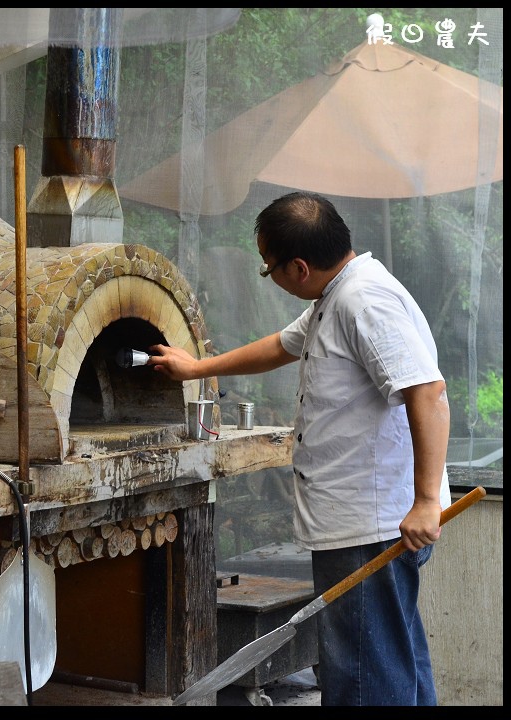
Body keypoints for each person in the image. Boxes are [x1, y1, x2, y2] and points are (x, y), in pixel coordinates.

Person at [148, 191, 451, 706]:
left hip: (368, 524)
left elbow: (428, 392)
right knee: (392, 659)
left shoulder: (363, 301)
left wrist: (425, 502)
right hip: (359, 521)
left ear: (300, 266)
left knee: (361, 677)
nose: (271, 275)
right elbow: (281, 345)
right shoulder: (335, 295)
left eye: (269, 267)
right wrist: (197, 368)